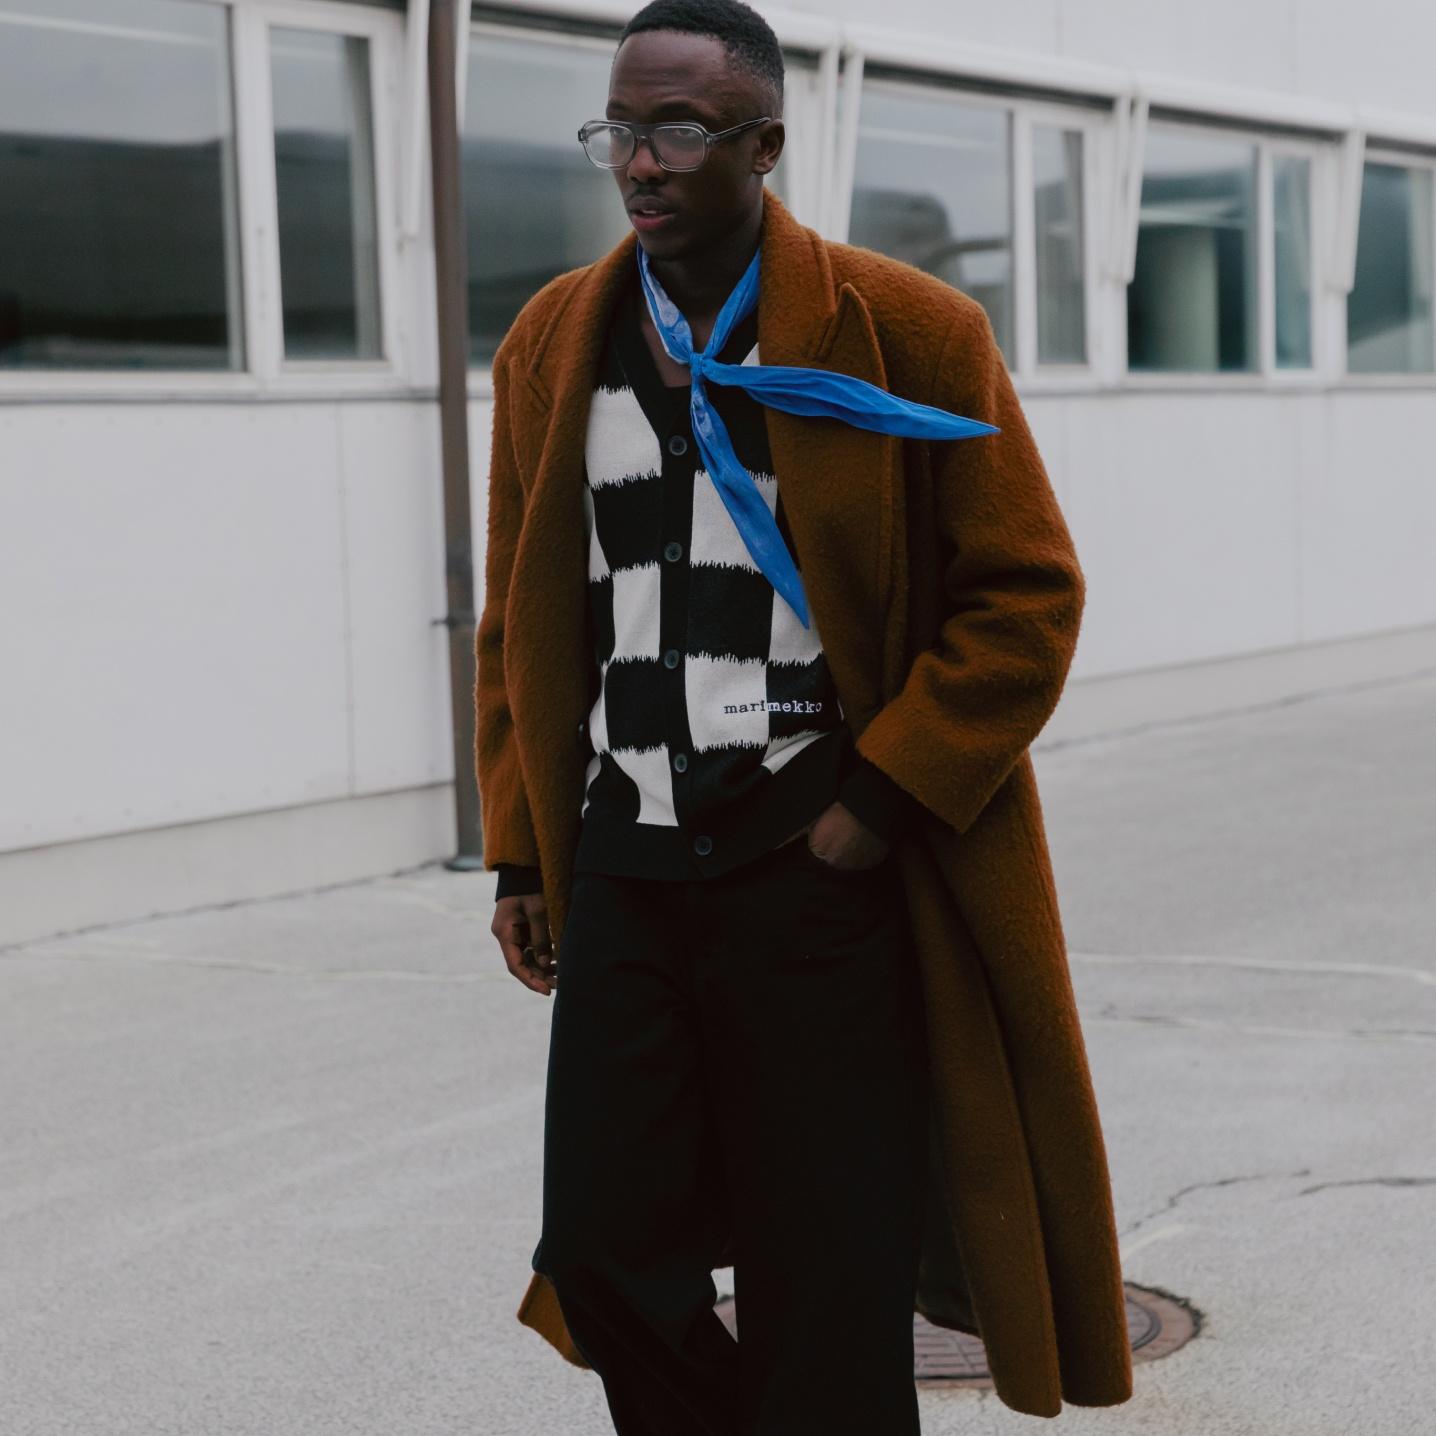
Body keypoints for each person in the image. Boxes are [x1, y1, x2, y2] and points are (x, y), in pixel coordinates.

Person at [477, 0, 1134, 1429]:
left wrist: (877, 803)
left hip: (818, 862)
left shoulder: (905, 331)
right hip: (631, 861)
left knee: (823, 1286)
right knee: (602, 1254)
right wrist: (525, 849)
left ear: (763, 143)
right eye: (619, 130)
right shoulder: (553, 343)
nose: (639, 163)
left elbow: (1027, 597)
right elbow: (513, 626)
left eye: (678, 130)